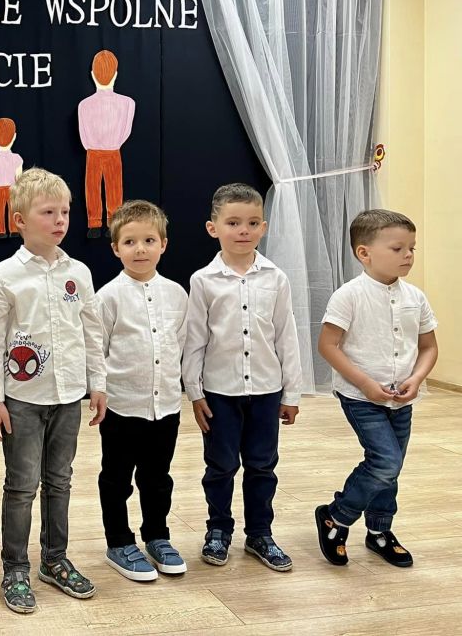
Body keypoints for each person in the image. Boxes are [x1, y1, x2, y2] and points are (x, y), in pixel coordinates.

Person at [0, 167, 108, 614]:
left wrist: (98, 384)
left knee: (60, 481)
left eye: (65, 212)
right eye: (48, 212)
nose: (60, 220)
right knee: (21, 486)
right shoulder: (4, 277)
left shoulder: (80, 273)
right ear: (19, 220)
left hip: (68, 398)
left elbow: (92, 332)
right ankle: (15, 568)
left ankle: (55, 559)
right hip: (22, 401)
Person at [182, 183, 302, 572]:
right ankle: (218, 529)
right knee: (220, 466)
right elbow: (195, 339)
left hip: (267, 391)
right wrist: (195, 393)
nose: (243, 230)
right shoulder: (203, 280)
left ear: (263, 227)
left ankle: (260, 534)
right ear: (213, 227)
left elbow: (286, 336)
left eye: (252, 222)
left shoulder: (276, 278)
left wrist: (292, 393)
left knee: (262, 465)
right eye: (233, 222)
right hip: (220, 392)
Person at [315, 209, 438, 568]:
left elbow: (429, 347)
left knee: (392, 467)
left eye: (412, 248)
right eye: (398, 248)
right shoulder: (348, 296)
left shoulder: (416, 297)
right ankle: (336, 517)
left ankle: (380, 530)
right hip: (360, 397)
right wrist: (366, 384)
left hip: (401, 400)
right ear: (364, 253)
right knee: (385, 462)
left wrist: (416, 379)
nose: (408, 255)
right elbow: (328, 346)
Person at [96, 200, 188, 582]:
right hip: (122, 407)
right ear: (115, 248)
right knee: (116, 478)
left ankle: (157, 535)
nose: (140, 249)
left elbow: (181, 345)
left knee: (158, 478)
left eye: (149, 240)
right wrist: (98, 391)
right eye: (130, 242)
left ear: (163, 244)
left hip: (165, 408)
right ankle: (118, 541)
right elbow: (97, 350)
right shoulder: (108, 297)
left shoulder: (177, 294)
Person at [77, 50, 136, 238]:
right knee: (114, 187)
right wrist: (114, 142)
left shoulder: (84, 105)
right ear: (116, 74)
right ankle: (113, 223)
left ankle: (94, 224)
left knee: (92, 188)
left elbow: (83, 135)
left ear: (93, 75)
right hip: (113, 150)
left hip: (93, 152)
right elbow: (126, 131)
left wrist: (92, 145)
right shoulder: (128, 103)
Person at [0, 117, 24, 239]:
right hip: (13, 188)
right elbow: (19, 177)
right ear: (14, 136)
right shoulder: (17, 158)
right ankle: (14, 230)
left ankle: (0, 231)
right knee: (13, 209)